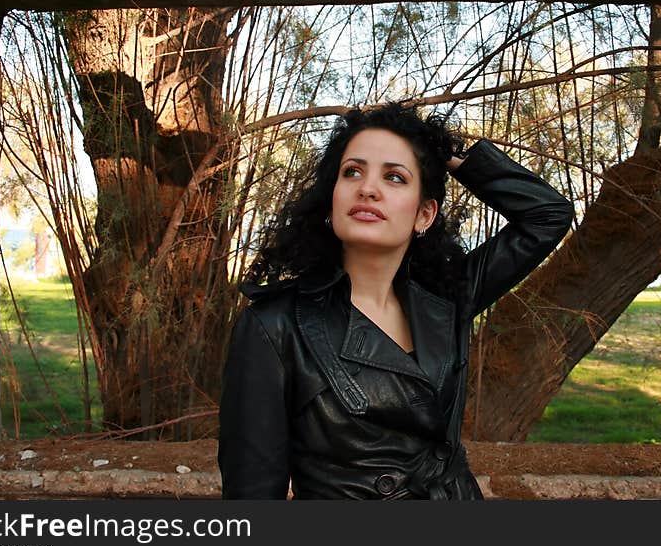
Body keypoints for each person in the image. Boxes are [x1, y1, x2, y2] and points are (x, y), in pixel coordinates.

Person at [218, 102, 573, 499]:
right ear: (331, 198)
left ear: (424, 215)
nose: (367, 188)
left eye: (394, 177)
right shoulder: (275, 326)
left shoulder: (444, 299)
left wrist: (446, 153)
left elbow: (548, 214)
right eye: (352, 171)